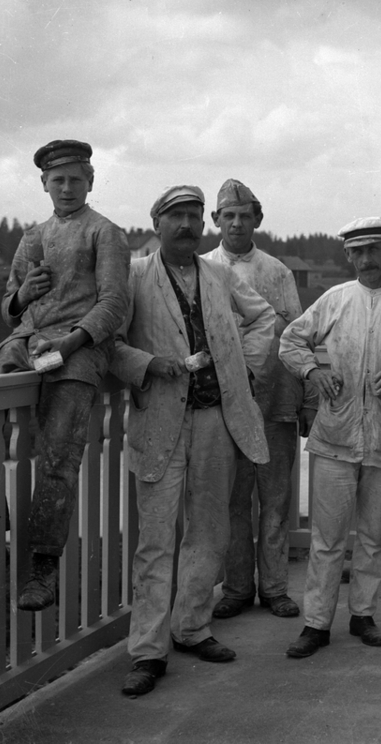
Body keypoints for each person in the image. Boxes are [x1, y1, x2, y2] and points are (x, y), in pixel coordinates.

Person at [112, 185, 275, 697]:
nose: (186, 225)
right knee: (156, 539)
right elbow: (108, 342)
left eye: (193, 216)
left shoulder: (219, 275)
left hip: (215, 420)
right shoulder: (133, 276)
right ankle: (147, 651)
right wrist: (146, 364)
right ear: (156, 223)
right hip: (159, 420)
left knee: (209, 530)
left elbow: (264, 317)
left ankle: (192, 627)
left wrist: (245, 368)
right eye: (176, 216)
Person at [0, 139, 129, 612]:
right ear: (44, 183)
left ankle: (43, 566)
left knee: (59, 450)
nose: (67, 188)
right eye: (57, 180)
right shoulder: (33, 237)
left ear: (90, 182)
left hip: (79, 346)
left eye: (75, 180)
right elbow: (9, 307)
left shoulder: (105, 233)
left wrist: (72, 342)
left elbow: (114, 304)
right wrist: (22, 295)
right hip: (28, 340)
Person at [279, 217, 381, 659]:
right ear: (348, 256)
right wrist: (313, 372)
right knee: (327, 538)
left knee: (372, 534)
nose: (366, 259)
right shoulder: (335, 299)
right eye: (358, 252)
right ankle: (316, 622)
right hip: (336, 435)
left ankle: (363, 614)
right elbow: (290, 342)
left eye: (374, 250)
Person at [205, 179, 306, 621]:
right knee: (233, 500)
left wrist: (301, 400)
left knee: (275, 499)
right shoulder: (204, 268)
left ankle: (276, 587)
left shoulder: (277, 272)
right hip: (227, 404)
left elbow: (295, 335)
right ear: (216, 220)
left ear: (257, 219)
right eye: (228, 216)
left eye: (245, 216)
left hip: (275, 401)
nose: (236, 223)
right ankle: (237, 587)